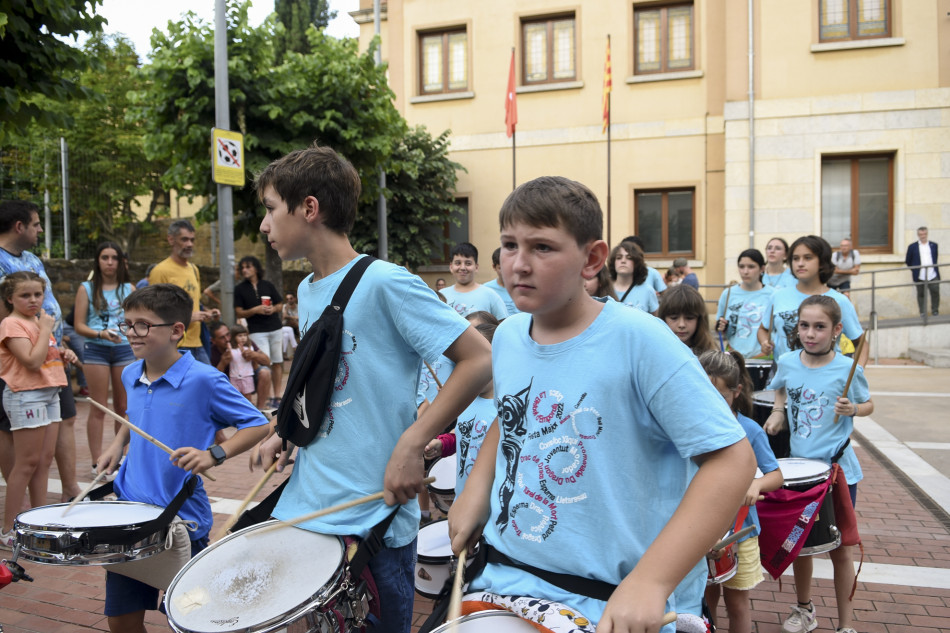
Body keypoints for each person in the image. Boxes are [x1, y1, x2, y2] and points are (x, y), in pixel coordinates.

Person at [448, 176, 754, 633]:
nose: (519, 264)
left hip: (609, 598)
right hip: (508, 578)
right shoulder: (509, 336)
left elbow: (733, 461)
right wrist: (477, 488)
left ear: (591, 258)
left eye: (542, 248)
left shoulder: (642, 340)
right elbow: (513, 418)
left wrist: (651, 582)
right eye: (510, 245)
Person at [254, 144, 492, 633]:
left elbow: (478, 359)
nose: (264, 225)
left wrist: (411, 442)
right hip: (309, 509)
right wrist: (287, 430)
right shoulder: (307, 289)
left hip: (372, 522)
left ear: (309, 208)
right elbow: (323, 382)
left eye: (271, 209)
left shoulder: (387, 282)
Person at [95, 284, 268, 632]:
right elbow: (134, 416)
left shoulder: (204, 380)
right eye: (127, 324)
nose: (132, 333)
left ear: (176, 330)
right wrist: (117, 443)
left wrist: (214, 454)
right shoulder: (131, 372)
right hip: (131, 514)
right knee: (121, 622)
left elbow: (258, 425)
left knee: (197, 619)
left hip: (182, 521)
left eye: (142, 325)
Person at [763, 295, 873, 633]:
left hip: (839, 473)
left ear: (837, 330)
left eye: (820, 327)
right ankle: (805, 609)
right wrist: (779, 413)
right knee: (802, 548)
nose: (810, 334)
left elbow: (868, 404)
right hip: (800, 473)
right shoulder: (787, 360)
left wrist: (852, 410)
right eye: (804, 326)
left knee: (841, 549)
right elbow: (780, 390)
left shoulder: (847, 368)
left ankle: (845, 625)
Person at [0, 200, 80, 503]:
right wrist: (39, 337)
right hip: (19, 363)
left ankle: (67, 490)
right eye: (36, 223)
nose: (40, 229)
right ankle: (16, 509)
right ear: (19, 226)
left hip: (51, 355)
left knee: (64, 421)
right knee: (13, 433)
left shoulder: (32, 258)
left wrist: (56, 341)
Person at [698, 350, 783, 633]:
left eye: (720, 396)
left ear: (737, 392)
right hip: (699, 530)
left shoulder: (750, 430)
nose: (712, 404)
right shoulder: (691, 430)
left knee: (737, 605)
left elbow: (776, 476)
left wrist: (756, 484)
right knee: (704, 604)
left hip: (740, 532)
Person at [0, 272, 77, 547]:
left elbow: (44, 356)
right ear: (10, 298)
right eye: (25, 295)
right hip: (26, 396)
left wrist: (64, 354)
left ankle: (39, 524)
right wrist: (46, 329)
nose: (33, 300)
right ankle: (9, 529)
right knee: (27, 463)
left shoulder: (36, 321)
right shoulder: (11, 324)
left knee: (44, 461)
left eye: (37, 294)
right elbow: (31, 362)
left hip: (50, 392)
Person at [757, 236, 867, 366]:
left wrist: (856, 373)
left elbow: (860, 342)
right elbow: (763, 329)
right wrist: (765, 342)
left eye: (808, 258)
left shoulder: (839, 300)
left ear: (822, 261)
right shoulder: (778, 296)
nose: (800, 263)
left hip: (825, 379)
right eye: (795, 258)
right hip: (784, 378)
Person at [73, 241, 135, 468]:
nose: (110, 262)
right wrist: (101, 334)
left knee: (123, 407)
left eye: (114, 258)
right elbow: (79, 325)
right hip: (96, 348)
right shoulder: (86, 288)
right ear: (97, 261)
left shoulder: (129, 289)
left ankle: (120, 459)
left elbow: (136, 321)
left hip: (124, 348)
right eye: (104, 257)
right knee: (98, 406)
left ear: (120, 262)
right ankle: (96, 461)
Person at [424, 321, 497, 496]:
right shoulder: (467, 400)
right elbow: (462, 435)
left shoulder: (505, 408)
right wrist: (442, 444)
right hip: (463, 496)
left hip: (490, 503)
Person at [148, 220, 219, 363]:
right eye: (184, 239)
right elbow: (153, 311)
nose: (190, 244)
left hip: (198, 343)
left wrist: (208, 312)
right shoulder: (160, 271)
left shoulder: (194, 269)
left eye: (192, 240)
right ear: (171, 240)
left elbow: (194, 303)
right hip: (175, 346)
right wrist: (187, 318)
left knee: (208, 384)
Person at [233, 255, 284, 407]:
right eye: (242, 267)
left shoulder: (267, 285)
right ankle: (266, 399)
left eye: (248, 266)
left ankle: (277, 396)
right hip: (256, 330)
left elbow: (280, 304)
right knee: (265, 361)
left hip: (275, 327)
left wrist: (273, 309)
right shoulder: (239, 289)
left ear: (255, 268)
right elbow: (239, 313)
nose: (244, 270)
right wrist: (256, 310)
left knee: (277, 362)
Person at [716, 249, 774, 358]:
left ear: (762, 269)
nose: (745, 271)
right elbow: (719, 328)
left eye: (751, 267)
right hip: (734, 356)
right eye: (741, 267)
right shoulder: (728, 294)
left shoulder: (772, 294)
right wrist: (722, 326)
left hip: (763, 357)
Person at [209, 322, 272, 411]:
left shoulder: (245, 343)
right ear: (214, 341)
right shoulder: (211, 351)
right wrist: (222, 363)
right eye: (222, 337)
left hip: (248, 378)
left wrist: (253, 355)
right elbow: (211, 380)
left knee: (265, 372)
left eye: (228, 335)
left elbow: (267, 361)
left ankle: (260, 410)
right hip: (229, 384)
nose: (227, 339)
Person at [440, 242, 509, 320]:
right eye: (458, 263)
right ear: (451, 267)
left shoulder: (490, 295)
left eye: (468, 263)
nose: (462, 267)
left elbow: (503, 326)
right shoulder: (441, 296)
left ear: (476, 267)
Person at [658, 284, 717, 355]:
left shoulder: (711, 355)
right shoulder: (655, 352)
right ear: (663, 319)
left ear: (699, 319)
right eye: (674, 318)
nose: (681, 325)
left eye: (689, 318)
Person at [609, 241, 658, 313]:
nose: (623, 261)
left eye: (629, 258)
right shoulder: (605, 288)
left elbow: (656, 321)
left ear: (636, 263)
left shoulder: (647, 290)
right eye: (619, 257)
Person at [905, 226, 939, 317]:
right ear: (918, 235)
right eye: (921, 234)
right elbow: (908, 260)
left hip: (932, 274)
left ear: (927, 234)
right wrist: (915, 270)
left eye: (924, 234)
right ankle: (923, 312)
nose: (923, 236)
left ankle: (935, 311)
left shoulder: (933, 245)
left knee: (935, 292)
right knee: (921, 294)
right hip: (920, 275)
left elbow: (935, 258)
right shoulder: (912, 247)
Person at [483, 247, 518, 316]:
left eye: (509, 267)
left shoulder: (523, 287)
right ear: (494, 267)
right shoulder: (486, 289)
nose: (506, 271)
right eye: (501, 268)